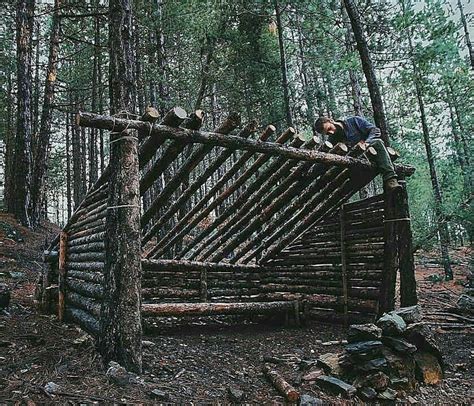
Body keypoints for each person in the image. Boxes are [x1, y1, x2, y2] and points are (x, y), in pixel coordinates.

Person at [313, 116, 401, 192]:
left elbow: (375, 130)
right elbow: (324, 157)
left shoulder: (354, 121)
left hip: (371, 152)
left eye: (329, 129)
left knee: (377, 142)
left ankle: (391, 179)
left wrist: (366, 143)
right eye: (328, 133)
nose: (331, 133)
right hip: (357, 163)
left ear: (331, 120)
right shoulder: (332, 140)